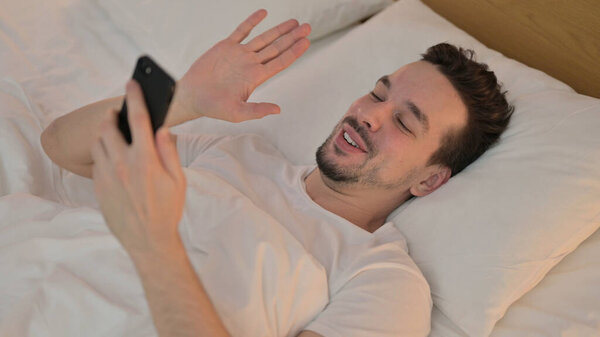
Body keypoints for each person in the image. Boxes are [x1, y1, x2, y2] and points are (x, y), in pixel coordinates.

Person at [40, 9, 513, 337]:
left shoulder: (383, 279)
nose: (370, 115)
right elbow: (63, 146)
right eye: (377, 94)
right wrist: (182, 100)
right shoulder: (239, 155)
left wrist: (154, 247)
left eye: (404, 123)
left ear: (429, 180)